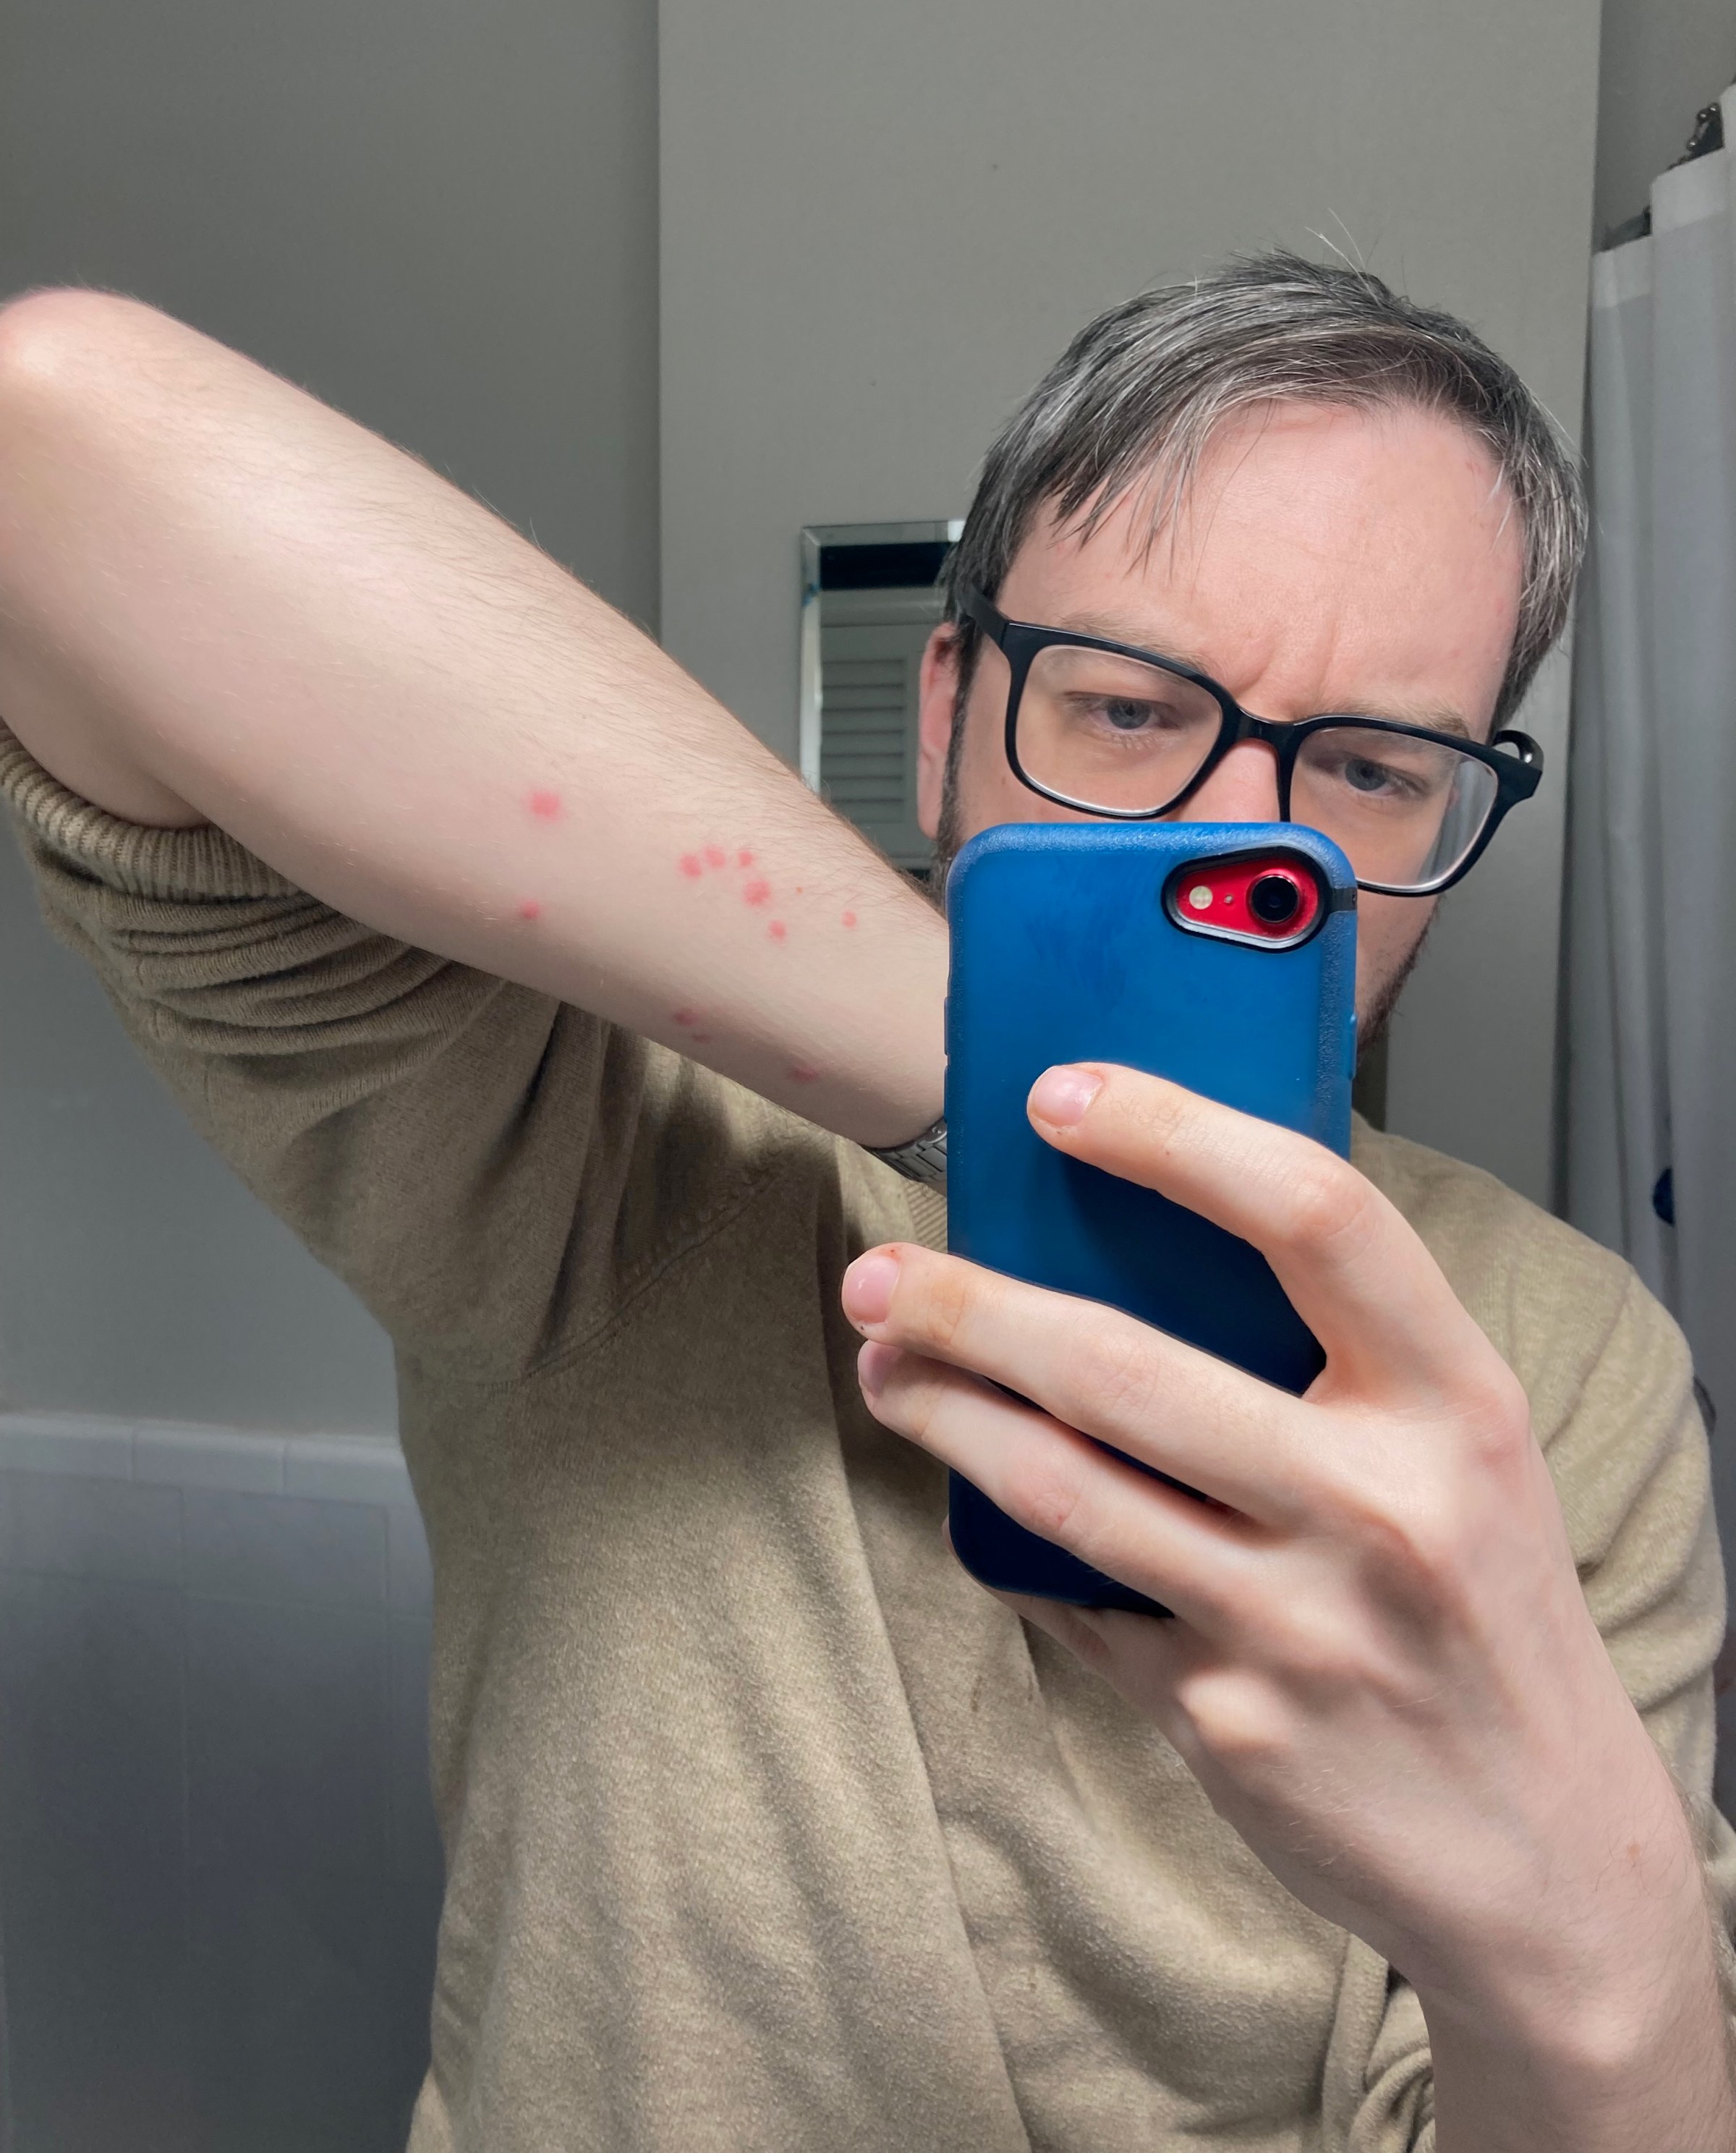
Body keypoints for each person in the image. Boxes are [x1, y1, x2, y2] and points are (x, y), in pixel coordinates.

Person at [0, 252, 1729, 2153]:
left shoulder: (1563, 1372)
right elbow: (54, 447)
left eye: (1377, 767)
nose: (1231, 827)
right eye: (1127, 706)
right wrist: (983, 1077)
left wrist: (1592, 1961)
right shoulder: (615, 1150)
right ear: (947, 708)